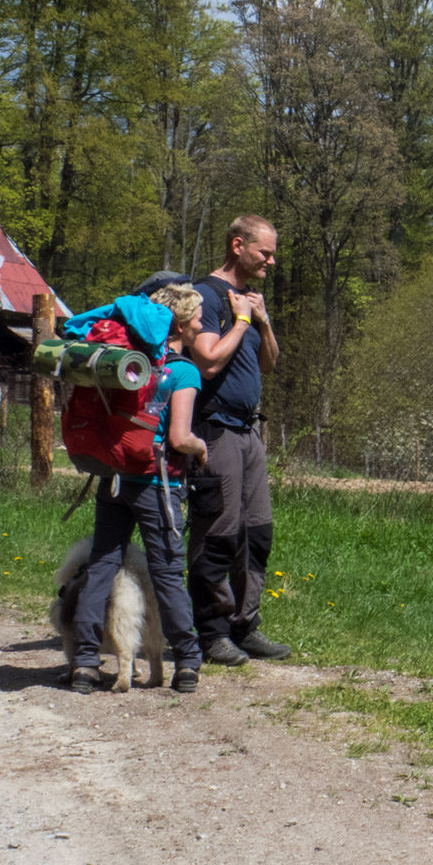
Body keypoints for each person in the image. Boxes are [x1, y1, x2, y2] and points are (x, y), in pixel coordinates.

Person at [70, 284, 208, 694]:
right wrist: (201, 448)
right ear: (180, 324)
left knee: (101, 568)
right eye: (198, 317)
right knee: (167, 573)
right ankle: (186, 661)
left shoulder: (125, 362)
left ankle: (84, 664)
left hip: (113, 477)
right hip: (156, 483)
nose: (203, 323)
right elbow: (181, 438)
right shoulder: (182, 371)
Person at [187, 213, 290, 665]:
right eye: (264, 251)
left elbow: (269, 365)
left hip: (248, 430)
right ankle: (210, 631)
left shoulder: (248, 302)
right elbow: (207, 362)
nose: (271, 259)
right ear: (237, 246)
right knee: (218, 531)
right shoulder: (204, 296)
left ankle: (245, 626)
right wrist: (241, 321)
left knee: (256, 532)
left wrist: (261, 322)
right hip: (215, 429)